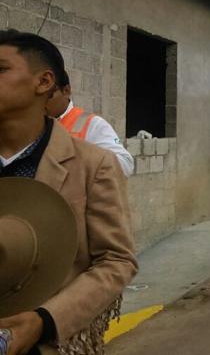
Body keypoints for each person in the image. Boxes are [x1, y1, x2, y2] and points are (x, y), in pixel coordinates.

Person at [0, 30, 137, 354]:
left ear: (44, 82)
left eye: (1, 69)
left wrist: (44, 321)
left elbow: (116, 259)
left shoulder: (93, 162)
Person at [45, 69, 134, 176]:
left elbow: (126, 164)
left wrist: (79, 159)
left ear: (66, 91)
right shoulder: (35, 124)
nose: (40, 102)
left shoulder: (92, 124)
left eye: (48, 95)